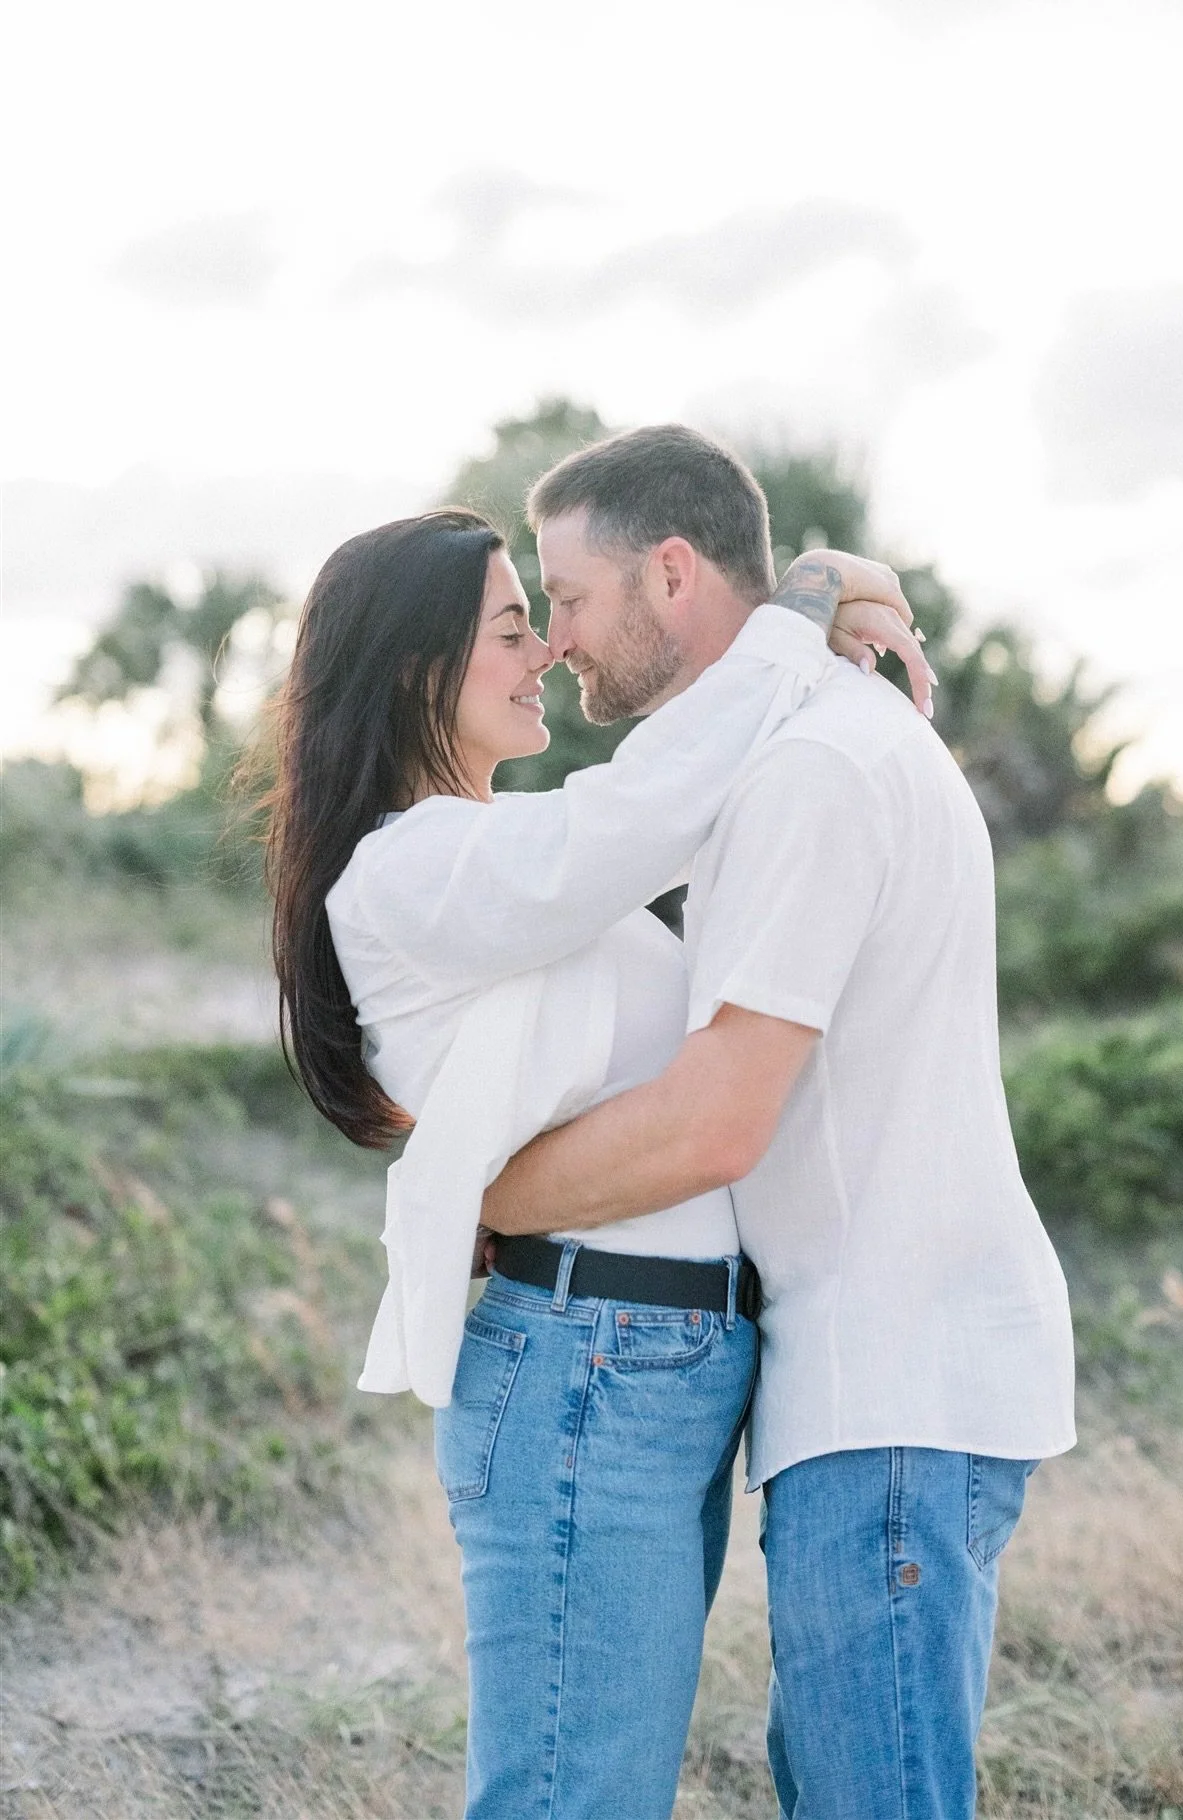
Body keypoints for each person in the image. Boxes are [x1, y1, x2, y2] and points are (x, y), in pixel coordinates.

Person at [263, 484, 931, 1820]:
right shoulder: (411, 871)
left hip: (646, 1366)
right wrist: (797, 607)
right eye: (516, 628)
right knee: (575, 1798)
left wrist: (832, 658)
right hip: (589, 1370)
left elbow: (710, 808)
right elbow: (649, 808)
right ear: (417, 668)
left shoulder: (500, 859)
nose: (548, 653)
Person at [482, 425, 1078, 1820]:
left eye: (566, 598)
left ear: (671, 575)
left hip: (895, 1391)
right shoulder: (797, 741)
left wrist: (482, 1199)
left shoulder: (812, 768)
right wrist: (814, 588)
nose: (556, 641)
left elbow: (715, 1123)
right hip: (879, 1385)